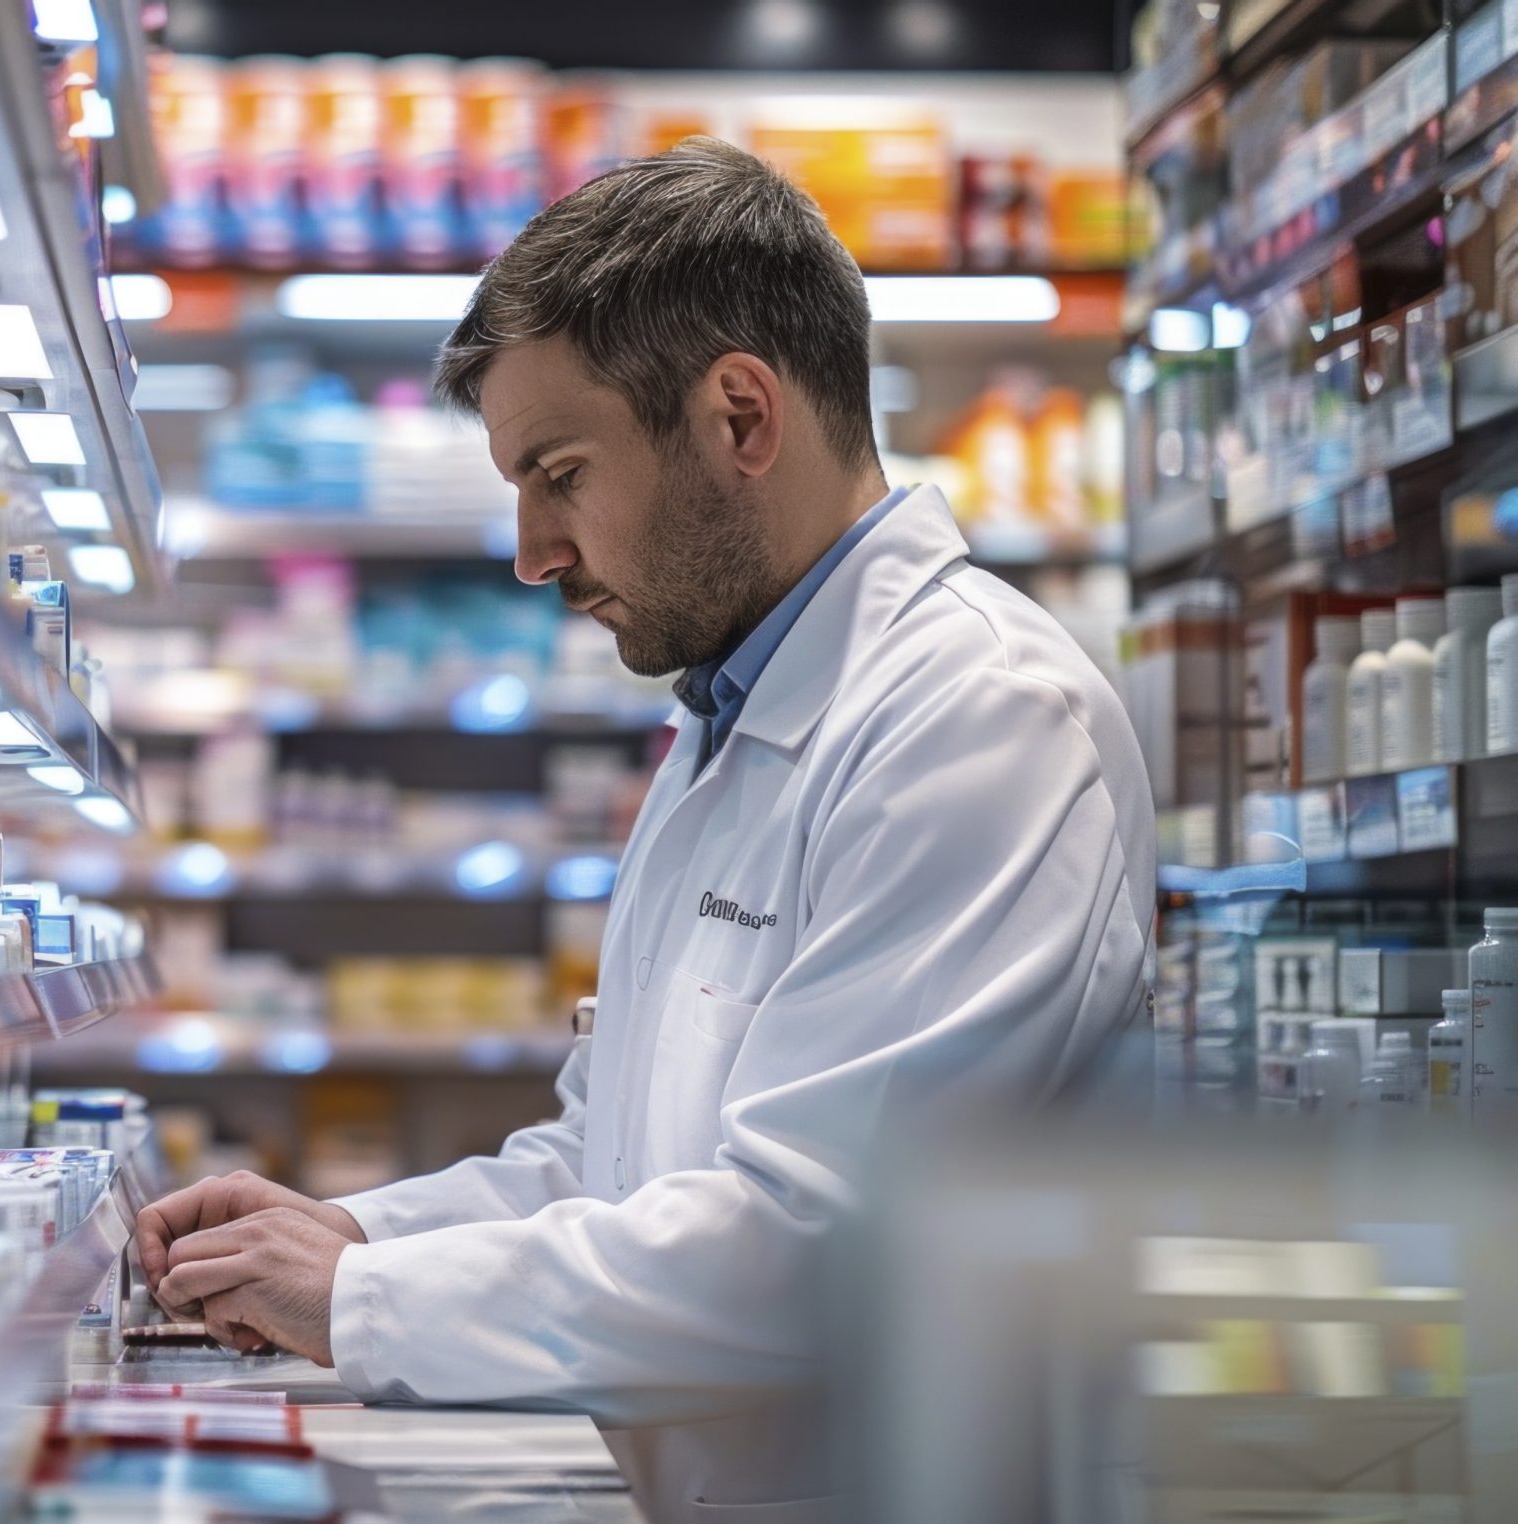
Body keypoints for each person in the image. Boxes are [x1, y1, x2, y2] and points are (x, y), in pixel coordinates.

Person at [132, 137, 1156, 1524]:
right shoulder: (729, 721)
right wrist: (353, 1232)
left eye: (560, 471)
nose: (532, 552)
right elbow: (610, 1159)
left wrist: (361, 1299)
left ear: (740, 416)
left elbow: (817, 1244)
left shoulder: (982, 720)